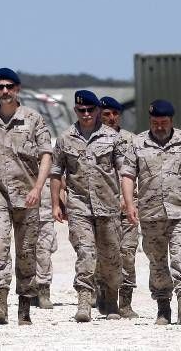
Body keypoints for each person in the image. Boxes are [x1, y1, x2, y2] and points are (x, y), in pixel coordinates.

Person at [0, 68, 52, 326]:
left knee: (27, 252)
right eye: (0, 87)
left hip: (27, 195)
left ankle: (25, 307)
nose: (4, 91)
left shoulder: (33, 119)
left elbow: (46, 156)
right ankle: (0, 303)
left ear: (17, 89)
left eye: (9, 87)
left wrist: (38, 188)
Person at [121, 99, 181, 325]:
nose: (159, 126)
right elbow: (128, 175)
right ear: (150, 121)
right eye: (155, 122)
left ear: (171, 121)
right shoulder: (138, 143)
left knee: (179, 256)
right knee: (157, 261)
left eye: (164, 122)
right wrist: (130, 204)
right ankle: (163, 307)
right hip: (150, 214)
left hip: (180, 212)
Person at [50, 90, 126, 322]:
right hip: (79, 206)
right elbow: (56, 172)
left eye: (90, 110)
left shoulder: (112, 138)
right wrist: (56, 203)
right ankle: (84, 300)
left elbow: (124, 172)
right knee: (85, 253)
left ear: (97, 111)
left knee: (111, 256)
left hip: (108, 206)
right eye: (81, 110)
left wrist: (126, 198)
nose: (85, 114)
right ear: (76, 111)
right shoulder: (65, 139)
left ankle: (111, 298)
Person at [94, 96, 140, 318]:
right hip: (102, 206)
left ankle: (126, 302)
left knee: (128, 253)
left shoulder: (132, 140)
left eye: (115, 114)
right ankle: (106, 295)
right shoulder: (91, 138)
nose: (111, 118)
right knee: (105, 255)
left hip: (129, 206)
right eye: (106, 114)